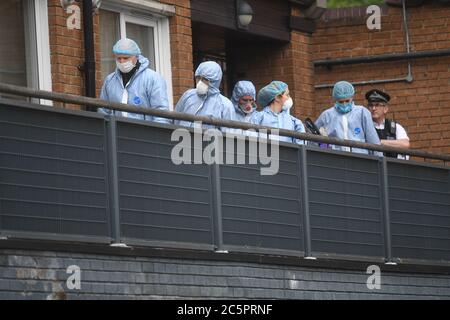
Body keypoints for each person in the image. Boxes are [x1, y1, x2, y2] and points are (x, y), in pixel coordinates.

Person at [99, 38, 170, 124]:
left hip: (145, 133)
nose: (122, 62)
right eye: (118, 58)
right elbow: (103, 112)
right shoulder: (110, 81)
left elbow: (161, 113)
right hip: (116, 133)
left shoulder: (153, 79)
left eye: (126, 58)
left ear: (136, 57)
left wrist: (156, 135)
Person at [315, 81, 381, 155]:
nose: (344, 104)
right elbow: (314, 138)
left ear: (352, 98)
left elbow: (373, 140)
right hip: (336, 158)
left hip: (360, 158)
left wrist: (379, 162)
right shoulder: (326, 116)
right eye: (341, 102)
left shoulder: (362, 113)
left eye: (347, 101)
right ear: (335, 100)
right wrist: (323, 145)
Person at [174, 61, 234, 129]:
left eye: (205, 79)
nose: (200, 82)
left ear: (214, 81)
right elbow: (175, 120)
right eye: (198, 78)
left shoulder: (225, 105)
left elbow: (228, 133)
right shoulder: (188, 95)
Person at [366, 89, 410, 159]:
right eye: (371, 105)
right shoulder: (365, 126)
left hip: (394, 166)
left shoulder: (395, 127)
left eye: (377, 105)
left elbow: (405, 144)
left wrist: (380, 142)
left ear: (385, 109)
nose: (373, 108)